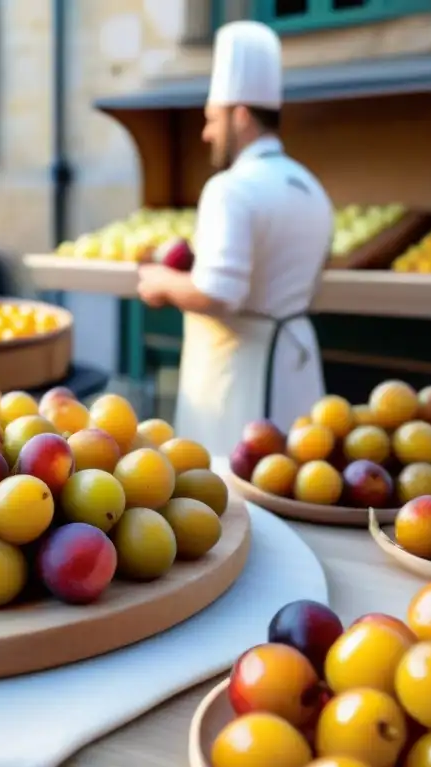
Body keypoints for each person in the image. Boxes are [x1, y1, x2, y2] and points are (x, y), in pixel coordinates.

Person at [135, 21, 333, 456]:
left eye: (211, 119)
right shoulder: (311, 186)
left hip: (239, 383)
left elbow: (221, 293)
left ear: (240, 115)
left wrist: (160, 283)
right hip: (296, 368)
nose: (206, 133)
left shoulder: (230, 188)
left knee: (236, 502)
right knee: (301, 479)